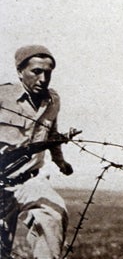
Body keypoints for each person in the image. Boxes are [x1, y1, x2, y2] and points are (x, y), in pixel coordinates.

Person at [0, 45, 74, 259]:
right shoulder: (3, 97)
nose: (43, 78)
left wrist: (60, 161)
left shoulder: (52, 100)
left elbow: (52, 133)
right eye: (36, 72)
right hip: (1, 183)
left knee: (54, 214)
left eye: (48, 73)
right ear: (20, 71)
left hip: (30, 181)